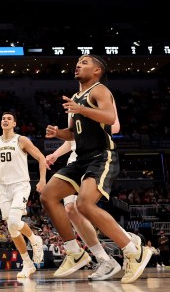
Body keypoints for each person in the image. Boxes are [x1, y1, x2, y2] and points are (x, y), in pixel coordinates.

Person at [40, 54, 152, 284]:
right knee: (48, 196)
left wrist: (81, 110)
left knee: (83, 204)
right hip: (81, 157)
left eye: (84, 62)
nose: (78, 65)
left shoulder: (100, 90)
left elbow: (111, 118)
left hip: (101, 155)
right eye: (78, 62)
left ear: (97, 71)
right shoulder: (75, 97)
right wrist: (58, 133)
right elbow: (73, 134)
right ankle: (74, 252)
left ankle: (133, 251)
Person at [45, 99, 122, 281]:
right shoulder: (74, 101)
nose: (78, 69)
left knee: (83, 206)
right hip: (76, 157)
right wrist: (55, 154)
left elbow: (115, 126)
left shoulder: (99, 95)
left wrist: (91, 127)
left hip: (96, 154)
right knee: (71, 209)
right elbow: (73, 137)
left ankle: (128, 244)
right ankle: (103, 258)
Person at [0, 112, 46, 279]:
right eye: (3, 118)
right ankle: (27, 263)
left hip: (20, 185)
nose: (5, 120)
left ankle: (34, 239)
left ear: (14, 123)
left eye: (9, 118)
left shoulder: (21, 140)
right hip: (3, 187)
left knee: (15, 221)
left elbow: (40, 157)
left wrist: (43, 179)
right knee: (11, 228)